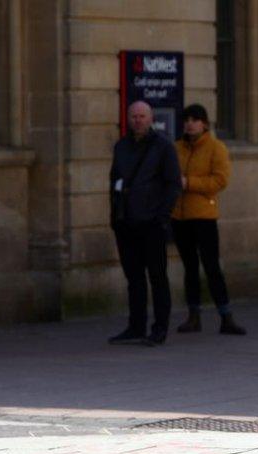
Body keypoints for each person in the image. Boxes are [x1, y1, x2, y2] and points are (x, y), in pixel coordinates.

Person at [108, 101, 182, 346]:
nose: (137, 120)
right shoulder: (121, 146)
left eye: (142, 116)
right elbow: (114, 182)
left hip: (151, 223)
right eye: (133, 116)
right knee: (134, 277)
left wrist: (162, 217)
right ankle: (135, 326)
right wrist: (115, 217)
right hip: (126, 222)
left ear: (151, 119)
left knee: (157, 277)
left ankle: (160, 327)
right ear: (127, 119)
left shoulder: (163, 147)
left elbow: (173, 184)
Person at [172, 104, 245, 335]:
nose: (190, 124)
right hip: (180, 216)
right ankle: (194, 315)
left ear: (204, 123)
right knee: (190, 268)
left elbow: (219, 180)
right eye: (187, 120)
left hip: (204, 216)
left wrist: (189, 183)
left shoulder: (216, 148)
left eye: (195, 120)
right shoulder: (177, 148)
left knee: (211, 266)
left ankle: (226, 315)